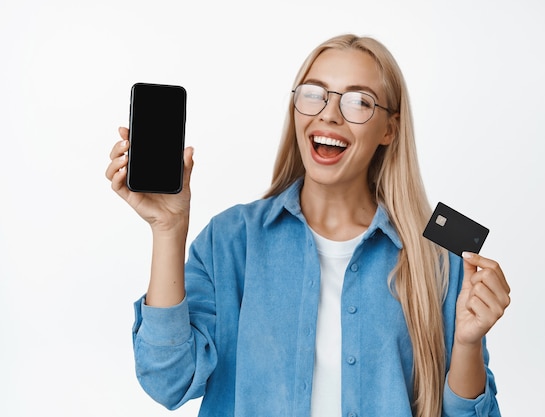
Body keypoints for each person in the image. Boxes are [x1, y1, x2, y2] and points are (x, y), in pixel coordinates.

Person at [105, 33, 510, 417]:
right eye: (314, 95)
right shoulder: (232, 240)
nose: (329, 114)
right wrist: (167, 230)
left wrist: (468, 343)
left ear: (390, 128)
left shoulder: (437, 259)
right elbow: (168, 380)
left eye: (358, 102)